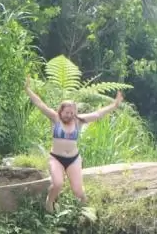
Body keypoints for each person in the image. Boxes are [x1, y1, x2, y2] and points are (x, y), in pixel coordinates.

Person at [25, 77, 124, 211]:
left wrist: (114, 105)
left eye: (72, 113)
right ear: (61, 111)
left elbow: (97, 114)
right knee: (58, 183)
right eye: (67, 113)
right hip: (56, 158)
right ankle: (49, 201)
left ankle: (85, 210)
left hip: (73, 159)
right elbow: (40, 104)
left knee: (78, 191)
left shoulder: (78, 121)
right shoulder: (55, 119)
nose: (69, 115)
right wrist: (28, 89)